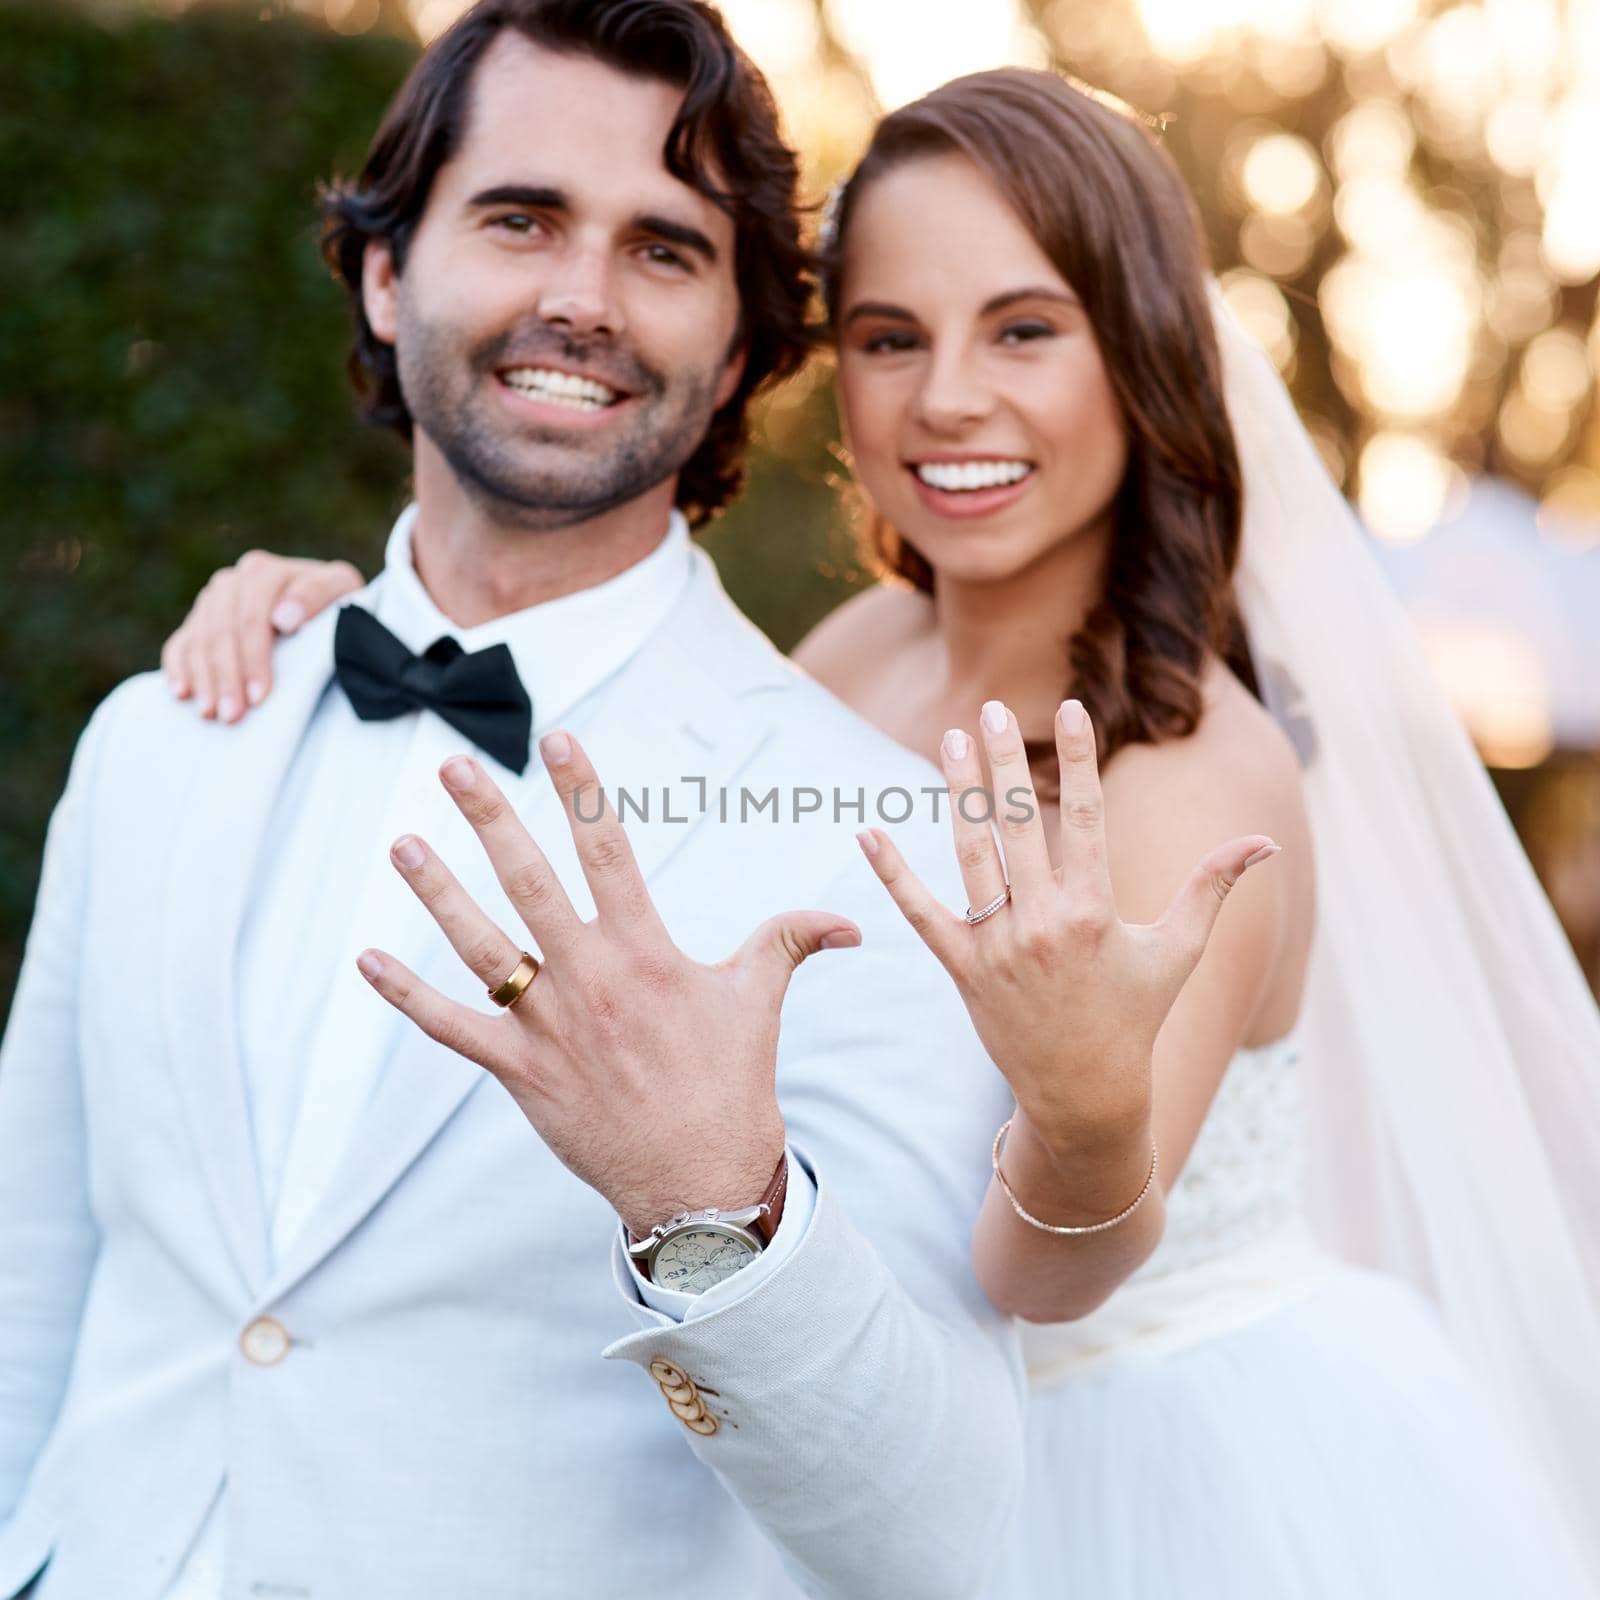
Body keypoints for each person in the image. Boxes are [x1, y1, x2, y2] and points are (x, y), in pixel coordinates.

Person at [177, 65, 1600, 1598]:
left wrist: (1079, 1104)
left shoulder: (1189, 771)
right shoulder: (857, 657)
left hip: (1136, 1472)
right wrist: (342, 615)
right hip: (830, 1412)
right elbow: (607, 785)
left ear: (1142, 352)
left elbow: (1043, 1280)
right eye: (888, 339)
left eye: (1025, 329)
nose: (948, 400)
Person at [0, 9, 1277, 1596]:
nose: (580, 300)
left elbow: (944, 1534)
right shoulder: (168, 733)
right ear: (387, 274)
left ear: (740, 348)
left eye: (663, 250)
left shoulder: (888, 837)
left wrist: (713, 1202)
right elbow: (37, 1271)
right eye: (520, 218)